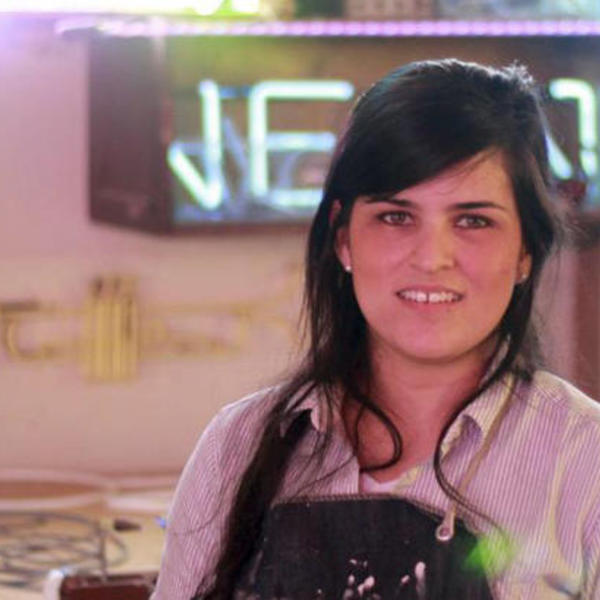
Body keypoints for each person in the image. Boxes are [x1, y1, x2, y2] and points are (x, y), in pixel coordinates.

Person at [152, 59, 600, 599]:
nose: (432, 258)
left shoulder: (586, 460)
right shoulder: (238, 446)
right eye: (395, 216)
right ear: (343, 239)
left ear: (526, 250)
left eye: (473, 220)